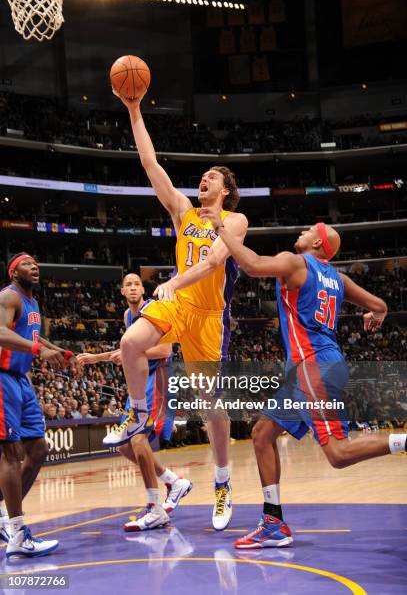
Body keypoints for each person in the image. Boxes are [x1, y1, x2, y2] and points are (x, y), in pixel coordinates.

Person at [199, 216, 406, 548]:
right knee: (263, 434)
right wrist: (376, 314)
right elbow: (379, 304)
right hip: (315, 366)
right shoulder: (337, 278)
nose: (302, 231)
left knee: (338, 454)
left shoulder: (296, 262)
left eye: (309, 230)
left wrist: (220, 230)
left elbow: (251, 265)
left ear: (318, 244)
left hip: (314, 368)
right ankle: (273, 524)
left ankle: (404, 442)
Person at [102, 92, 248, 531]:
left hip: (208, 314)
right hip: (178, 305)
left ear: (225, 191)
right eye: (202, 176)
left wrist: (170, 282)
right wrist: (133, 110)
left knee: (211, 407)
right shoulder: (183, 212)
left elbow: (210, 263)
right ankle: (137, 411)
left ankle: (222, 482)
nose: (203, 180)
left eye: (211, 177)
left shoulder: (235, 221)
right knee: (130, 342)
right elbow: (151, 164)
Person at [78, 273, 192, 530]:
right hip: (140, 380)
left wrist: (123, 353)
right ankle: (173, 481)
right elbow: (128, 351)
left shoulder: (155, 308)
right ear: (121, 291)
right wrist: (97, 358)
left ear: (143, 289)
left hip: (158, 376)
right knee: (124, 445)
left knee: (139, 438)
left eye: (136, 284)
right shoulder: (128, 316)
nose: (132, 287)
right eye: (127, 284)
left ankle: (155, 507)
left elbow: (164, 351)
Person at [0, 253, 76, 558]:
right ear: (13, 271)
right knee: (10, 453)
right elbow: (1, 333)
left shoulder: (32, 304)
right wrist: (35, 349)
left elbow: (32, 334)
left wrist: (57, 350)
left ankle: (7, 518)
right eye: (27, 264)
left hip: (21, 380)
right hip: (3, 377)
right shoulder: (8, 296)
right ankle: (17, 532)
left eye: (37, 265)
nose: (35, 267)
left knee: (39, 448)